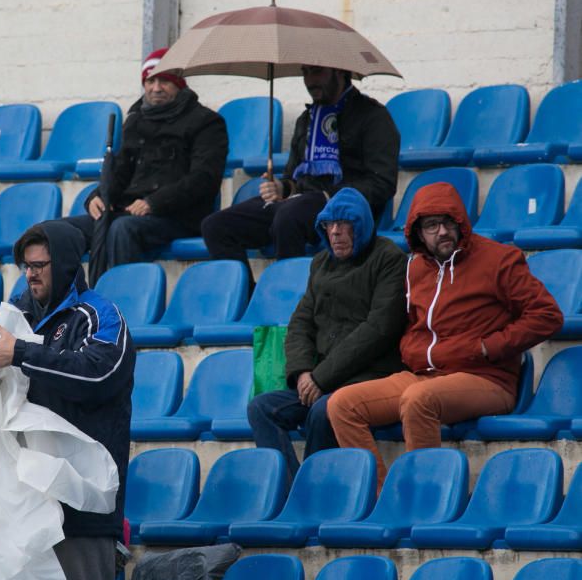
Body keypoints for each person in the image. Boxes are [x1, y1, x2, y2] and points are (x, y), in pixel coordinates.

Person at [0, 222, 134, 580]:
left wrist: (19, 353)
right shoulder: (16, 314)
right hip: (26, 497)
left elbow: (100, 375)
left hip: (82, 497)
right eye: (26, 266)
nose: (31, 274)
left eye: (41, 265)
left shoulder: (100, 314)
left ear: (67, 265)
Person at [327, 182, 564, 484]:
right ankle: (381, 497)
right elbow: (413, 325)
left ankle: (425, 497)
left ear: (460, 222)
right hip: (425, 375)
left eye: (448, 222)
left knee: (418, 399)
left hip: (486, 377)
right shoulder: (415, 269)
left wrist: (488, 347)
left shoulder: (500, 260)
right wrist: (411, 350)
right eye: (431, 225)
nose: (442, 231)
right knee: (342, 404)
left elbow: (547, 315)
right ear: (418, 233)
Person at [248, 187, 407, 480]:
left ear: (361, 225)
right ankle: (291, 486)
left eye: (344, 224)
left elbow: (378, 330)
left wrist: (322, 378)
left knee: (323, 410)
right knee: (261, 408)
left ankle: (315, 488)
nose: (335, 232)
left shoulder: (389, 259)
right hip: (319, 377)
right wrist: (303, 373)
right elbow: (300, 324)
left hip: (366, 377)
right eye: (329, 225)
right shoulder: (321, 263)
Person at [201, 66, 400, 274]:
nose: (309, 81)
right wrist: (281, 187)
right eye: (305, 73)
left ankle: (290, 295)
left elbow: (382, 184)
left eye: (317, 72)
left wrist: (329, 195)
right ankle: (251, 297)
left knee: (288, 217)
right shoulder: (306, 119)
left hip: (343, 208)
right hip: (299, 203)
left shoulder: (373, 116)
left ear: (339, 72)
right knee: (215, 226)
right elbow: (292, 178)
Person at [65, 47, 228, 283]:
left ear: (179, 84)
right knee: (55, 233)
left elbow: (203, 179)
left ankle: (121, 306)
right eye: (150, 80)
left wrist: (153, 203)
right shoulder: (136, 121)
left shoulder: (206, 122)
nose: (156, 88)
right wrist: (98, 196)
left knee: (122, 229)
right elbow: (119, 172)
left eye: (165, 80)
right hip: (129, 212)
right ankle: (65, 310)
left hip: (179, 217)